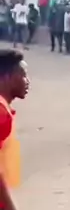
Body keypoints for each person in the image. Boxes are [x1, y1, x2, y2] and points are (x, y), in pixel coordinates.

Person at [0, 49, 29, 191]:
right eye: (23, 75)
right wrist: (9, 205)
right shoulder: (1, 113)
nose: (27, 81)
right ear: (6, 77)